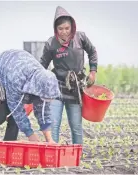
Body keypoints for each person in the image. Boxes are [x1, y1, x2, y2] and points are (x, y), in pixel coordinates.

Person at [0, 49, 61, 147]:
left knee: (14, 120)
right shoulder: (18, 80)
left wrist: (49, 140)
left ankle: (7, 148)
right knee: (0, 116)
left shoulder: (43, 82)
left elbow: (43, 111)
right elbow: (16, 110)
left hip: (14, 74)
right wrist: (30, 134)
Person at [40, 6, 98, 145]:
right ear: (56, 29)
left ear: (72, 27)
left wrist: (93, 71)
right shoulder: (51, 43)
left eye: (67, 28)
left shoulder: (81, 37)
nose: (64, 32)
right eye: (60, 29)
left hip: (75, 88)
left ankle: (77, 156)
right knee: (54, 124)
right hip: (56, 87)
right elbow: (42, 65)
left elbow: (92, 52)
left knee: (76, 126)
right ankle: (52, 156)